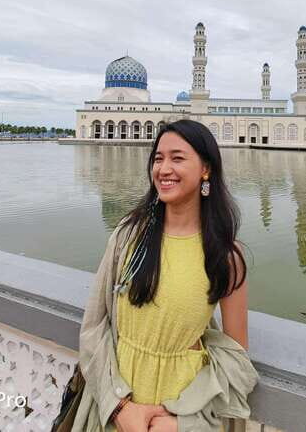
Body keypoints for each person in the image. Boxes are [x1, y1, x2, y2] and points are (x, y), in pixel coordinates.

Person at [72, 119, 258, 432]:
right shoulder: (129, 235)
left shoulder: (225, 255)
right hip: (114, 405)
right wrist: (119, 408)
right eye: (158, 158)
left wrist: (181, 421)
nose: (163, 168)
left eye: (178, 158)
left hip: (176, 413)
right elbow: (94, 326)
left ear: (206, 169)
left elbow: (237, 358)